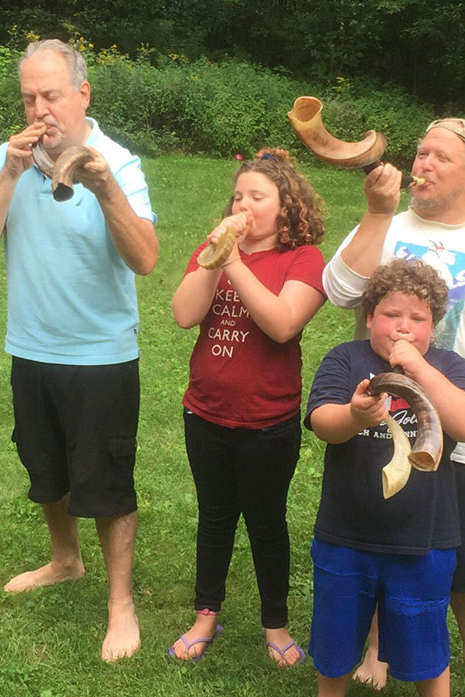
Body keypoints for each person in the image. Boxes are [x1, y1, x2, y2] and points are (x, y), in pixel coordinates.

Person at [322, 118, 465, 697]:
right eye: (420, 152)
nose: (421, 163)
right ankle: (374, 647)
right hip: (378, 429)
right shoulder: (387, 227)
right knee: (377, 541)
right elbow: (341, 288)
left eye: (438, 156)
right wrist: (375, 213)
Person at [0, 39, 158, 662]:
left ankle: (120, 605)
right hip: (33, 346)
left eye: (50, 95)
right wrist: (13, 172)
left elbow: (146, 259)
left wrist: (105, 191)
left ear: (82, 94)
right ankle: (65, 559)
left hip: (100, 354)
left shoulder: (118, 164)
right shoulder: (8, 158)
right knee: (44, 466)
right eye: (28, 97)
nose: (40, 109)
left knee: (107, 481)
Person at [295, 260, 465, 697]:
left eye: (418, 319)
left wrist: (419, 368)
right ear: (369, 315)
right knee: (336, 619)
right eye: (391, 314)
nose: (404, 326)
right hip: (346, 530)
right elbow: (322, 423)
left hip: (425, 536)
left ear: (435, 325)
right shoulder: (346, 360)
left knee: (424, 620)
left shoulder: (448, 368)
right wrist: (356, 415)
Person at [167, 149, 326, 666]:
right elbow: (184, 314)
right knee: (214, 517)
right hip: (205, 412)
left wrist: (235, 263)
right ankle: (205, 613)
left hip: (266, 423)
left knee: (265, 521)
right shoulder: (215, 249)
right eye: (239, 195)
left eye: (258, 196)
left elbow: (282, 323)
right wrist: (218, 256)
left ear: (286, 206)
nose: (244, 204)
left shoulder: (302, 259)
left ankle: (275, 624)